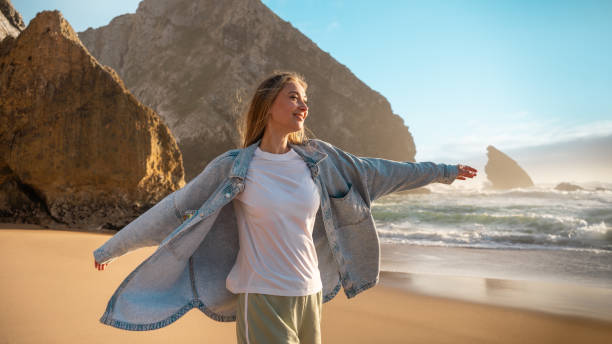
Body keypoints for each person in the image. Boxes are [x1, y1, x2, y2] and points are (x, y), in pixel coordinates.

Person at [94, 71, 477, 343]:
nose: (302, 105)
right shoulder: (235, 166)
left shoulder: (319, 161)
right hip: (261, 295)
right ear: (269, 105)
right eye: (293, 96)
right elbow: (175, 209)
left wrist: (442, 171)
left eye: (303, 99)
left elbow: (378, 171)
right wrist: (112, 247)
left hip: (309, 294)